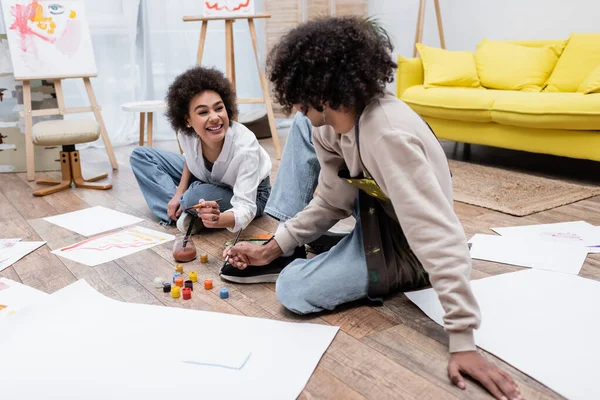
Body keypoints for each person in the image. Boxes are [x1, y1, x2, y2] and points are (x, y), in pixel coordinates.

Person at [221, 16, 521, 400]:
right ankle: (331, 250)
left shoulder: (387, 133)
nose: (294, 104)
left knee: (293, 289)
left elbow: (436, 233)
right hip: (376, 217)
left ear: (322, 89)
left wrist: (462, 340)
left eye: (298, 94)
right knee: (305, 136)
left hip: (411, 243)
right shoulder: (325, 126)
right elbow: (332, 199)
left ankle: (399, 270)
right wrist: (273, 246)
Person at [130, 66, 271, 233]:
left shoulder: (245, 146)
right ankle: (188, 213)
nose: (214, 117)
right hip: (207, 180)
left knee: (194, 195)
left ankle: (190, 213)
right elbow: (190, 160)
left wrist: (219, 219)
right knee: (140, 156)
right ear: (188, 120)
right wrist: (178, 194)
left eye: (219, 108)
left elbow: (246, 206)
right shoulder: (186, 133)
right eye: (203, 112)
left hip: (252, 195)